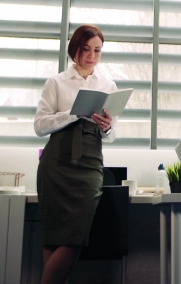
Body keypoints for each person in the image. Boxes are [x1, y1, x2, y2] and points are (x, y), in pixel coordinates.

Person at [34, 24, 119, 284]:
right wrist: (73, 114)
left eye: (97, 50)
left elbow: (112, 135)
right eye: (86, 49)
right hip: (56, 164)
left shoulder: (107, 84)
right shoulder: (56, 82)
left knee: (74, 238)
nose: (92, 55)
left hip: (90, 164)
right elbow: (39, 125)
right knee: (54, 236)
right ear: (75, 49)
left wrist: (108, 127)